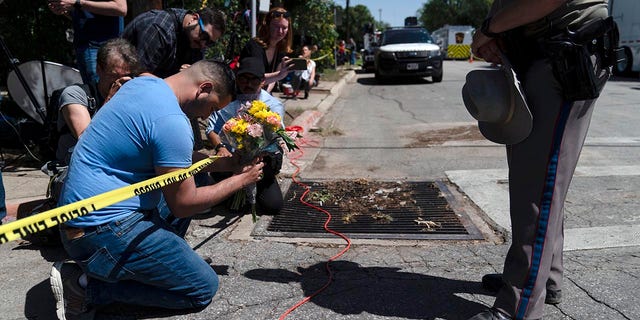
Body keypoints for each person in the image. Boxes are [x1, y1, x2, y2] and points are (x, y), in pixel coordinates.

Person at [49, 60, 264, 319]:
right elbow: (184, 203)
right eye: (212, 106)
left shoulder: (143, 84)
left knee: (182, 188)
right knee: (201, 287)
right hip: (100, 234)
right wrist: (241, 180)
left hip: (79, 221)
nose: (208, 116)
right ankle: (84, 290)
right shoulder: (172, 121)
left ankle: (156, 264)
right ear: (204, 88)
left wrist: (223, 164)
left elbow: (170, 157)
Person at [468, 1, 612, 319]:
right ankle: (545, 278)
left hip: (563, 49)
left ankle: (518, 305)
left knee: (539, 188)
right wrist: (495, 32)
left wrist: (489, 29)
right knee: (538, 179)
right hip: (540, 49)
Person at [205, 57, 286, 214]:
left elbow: (277, 136)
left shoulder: (272, 105)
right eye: (242, 79)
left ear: (262, 81)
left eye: (253, 80)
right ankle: (228, 185)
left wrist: (258, 154)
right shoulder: (226, 99)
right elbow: (211, 130)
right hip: (231, 160)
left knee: (273, 206)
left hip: (260, 162)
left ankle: (251, 186)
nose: (247, 84)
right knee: (231, 206)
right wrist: (221, 147)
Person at [54, 38, 143, 165]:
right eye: (114, 75)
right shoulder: (74, 95)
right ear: (98, 69)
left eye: (126, 76)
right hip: (77, 168)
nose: (120, 82)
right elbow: (87, 141)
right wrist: (110, 101)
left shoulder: (133, 97)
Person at [121, 7, 226, 78]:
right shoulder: (160, 28)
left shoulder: (196, 41)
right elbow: (139, 75)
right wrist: (178, 80)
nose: (204, 44)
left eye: (210, 43)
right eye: (204, 36)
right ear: (194, 19)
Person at [47, 0, 127, 88]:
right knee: (94, 95)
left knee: (104, 95)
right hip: (84, 47)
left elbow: (121, 8)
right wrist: (64, 8)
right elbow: (86, 15)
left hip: (104, 49)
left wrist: (77, 3)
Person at [239, 7, 294, 93]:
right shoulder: (254, 46)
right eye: (276, 26)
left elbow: (273, 79)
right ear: (267, 25)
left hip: (263, 93)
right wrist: (280, 75)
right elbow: (255, 79)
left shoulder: (281, 49)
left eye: (284, 28)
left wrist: (266, 94)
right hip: (245, 93)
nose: (280, 31)